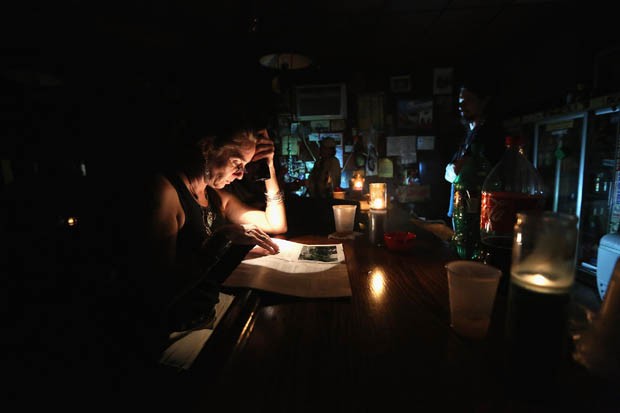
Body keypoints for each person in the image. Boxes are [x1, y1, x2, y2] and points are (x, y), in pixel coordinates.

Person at [121, 118, 288, 369]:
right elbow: (158, 292)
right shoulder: (166, 193)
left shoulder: (213, 195)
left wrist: (269, 168)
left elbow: (275, 224)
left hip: (211, 311)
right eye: (237, 163)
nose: (241, 174)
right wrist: (221, 239)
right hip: (175, 332)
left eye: (245, 165)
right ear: (208, 146)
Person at [444, 75, 505, 224]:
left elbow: (458, 172)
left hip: (477, 215)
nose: (462, 106)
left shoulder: (488, 133)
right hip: (461, 212)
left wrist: (454, 170)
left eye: (468, 100)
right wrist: (453, 170)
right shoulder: (468, 134)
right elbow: (448, 173)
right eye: (460, 102)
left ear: (483, 102)